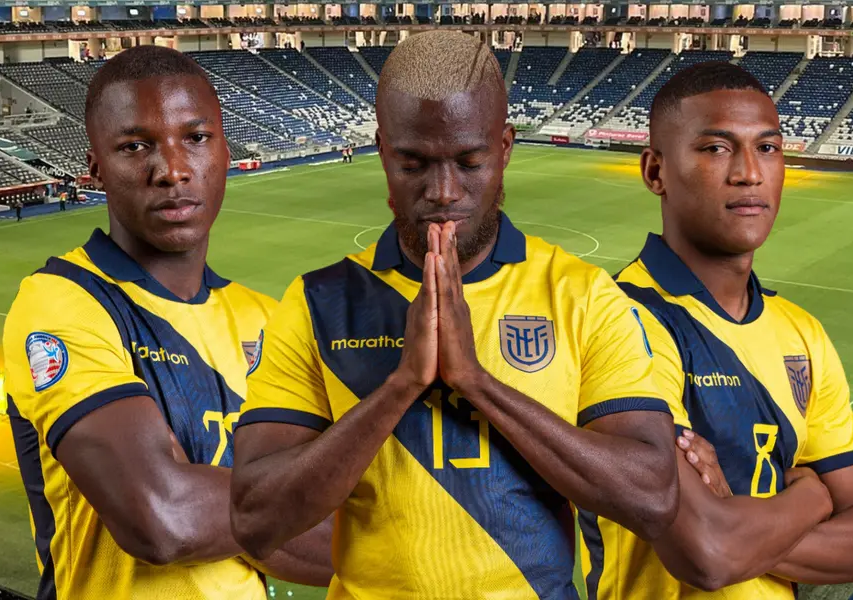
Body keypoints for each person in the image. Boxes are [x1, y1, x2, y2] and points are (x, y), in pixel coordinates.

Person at [229, 30, 678, 598]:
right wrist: (401, 385)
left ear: (506, 149)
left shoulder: (581, 294)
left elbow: (652, 498)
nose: (443, 192)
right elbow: (256, 520)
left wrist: (475, 381)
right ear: (383, 151)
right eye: (414, 163)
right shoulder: (318, 302)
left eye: (469, 161)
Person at [1, 45, 332, 600]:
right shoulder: (62, 302)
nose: (172, 170)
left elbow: (326, 539)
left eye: (197, 139)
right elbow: (162, 516)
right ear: (96, 168)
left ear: (226, 152)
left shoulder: (266, 319)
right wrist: (282, 503)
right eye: (135, 146)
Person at [580, 62, 853, 598]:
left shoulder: (802, 333)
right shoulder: (617, 319)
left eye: (767, 148)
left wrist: (734, 518)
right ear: (655, 172)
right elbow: (708, 552)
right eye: (716, 149)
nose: (749, 173)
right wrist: (811, 499)